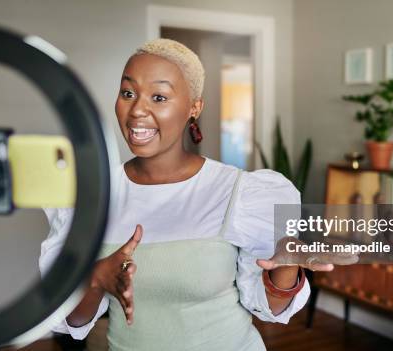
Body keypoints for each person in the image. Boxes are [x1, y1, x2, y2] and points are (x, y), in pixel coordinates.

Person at [39, 38, 337, 351]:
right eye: (128, 93)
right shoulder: (94, 197)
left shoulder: (240, 192)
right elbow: (72, 321)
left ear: (194, 107)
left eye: (158, 96)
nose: (137, 110)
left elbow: (270, 309)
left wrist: (286, 267)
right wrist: (97, 277)